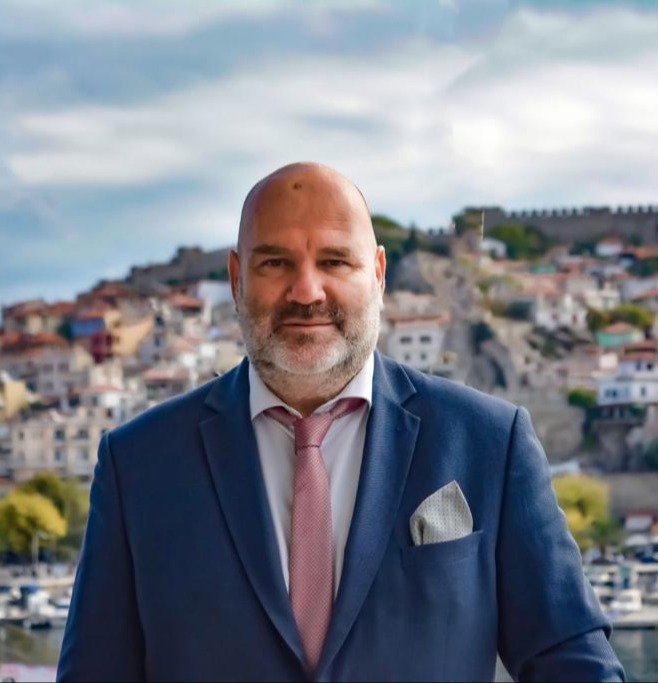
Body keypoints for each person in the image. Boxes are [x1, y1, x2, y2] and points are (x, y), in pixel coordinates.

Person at [57, 162, 625, 682]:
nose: (306, 291)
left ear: (377, 273)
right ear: (236, 278)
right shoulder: (139, 465)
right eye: (275, 262)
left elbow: (573, 663)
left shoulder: (489, 443)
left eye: (334, 261)